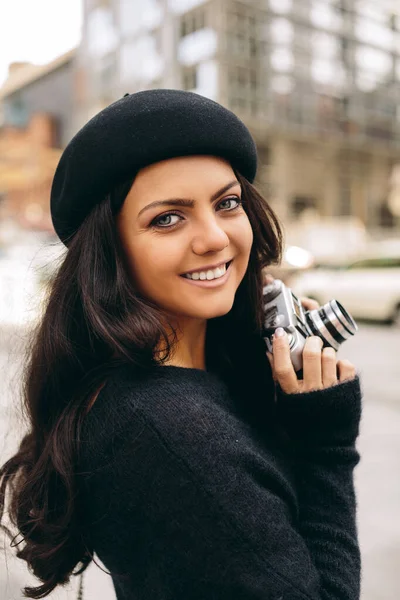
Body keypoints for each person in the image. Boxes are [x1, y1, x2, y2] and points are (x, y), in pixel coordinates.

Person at [0, 89, 362, 600]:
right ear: (111, 252)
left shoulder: (160, 386)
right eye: (168, 217)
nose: (214, 237)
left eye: (227, 203)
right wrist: (326, 445)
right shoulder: (172, 432)